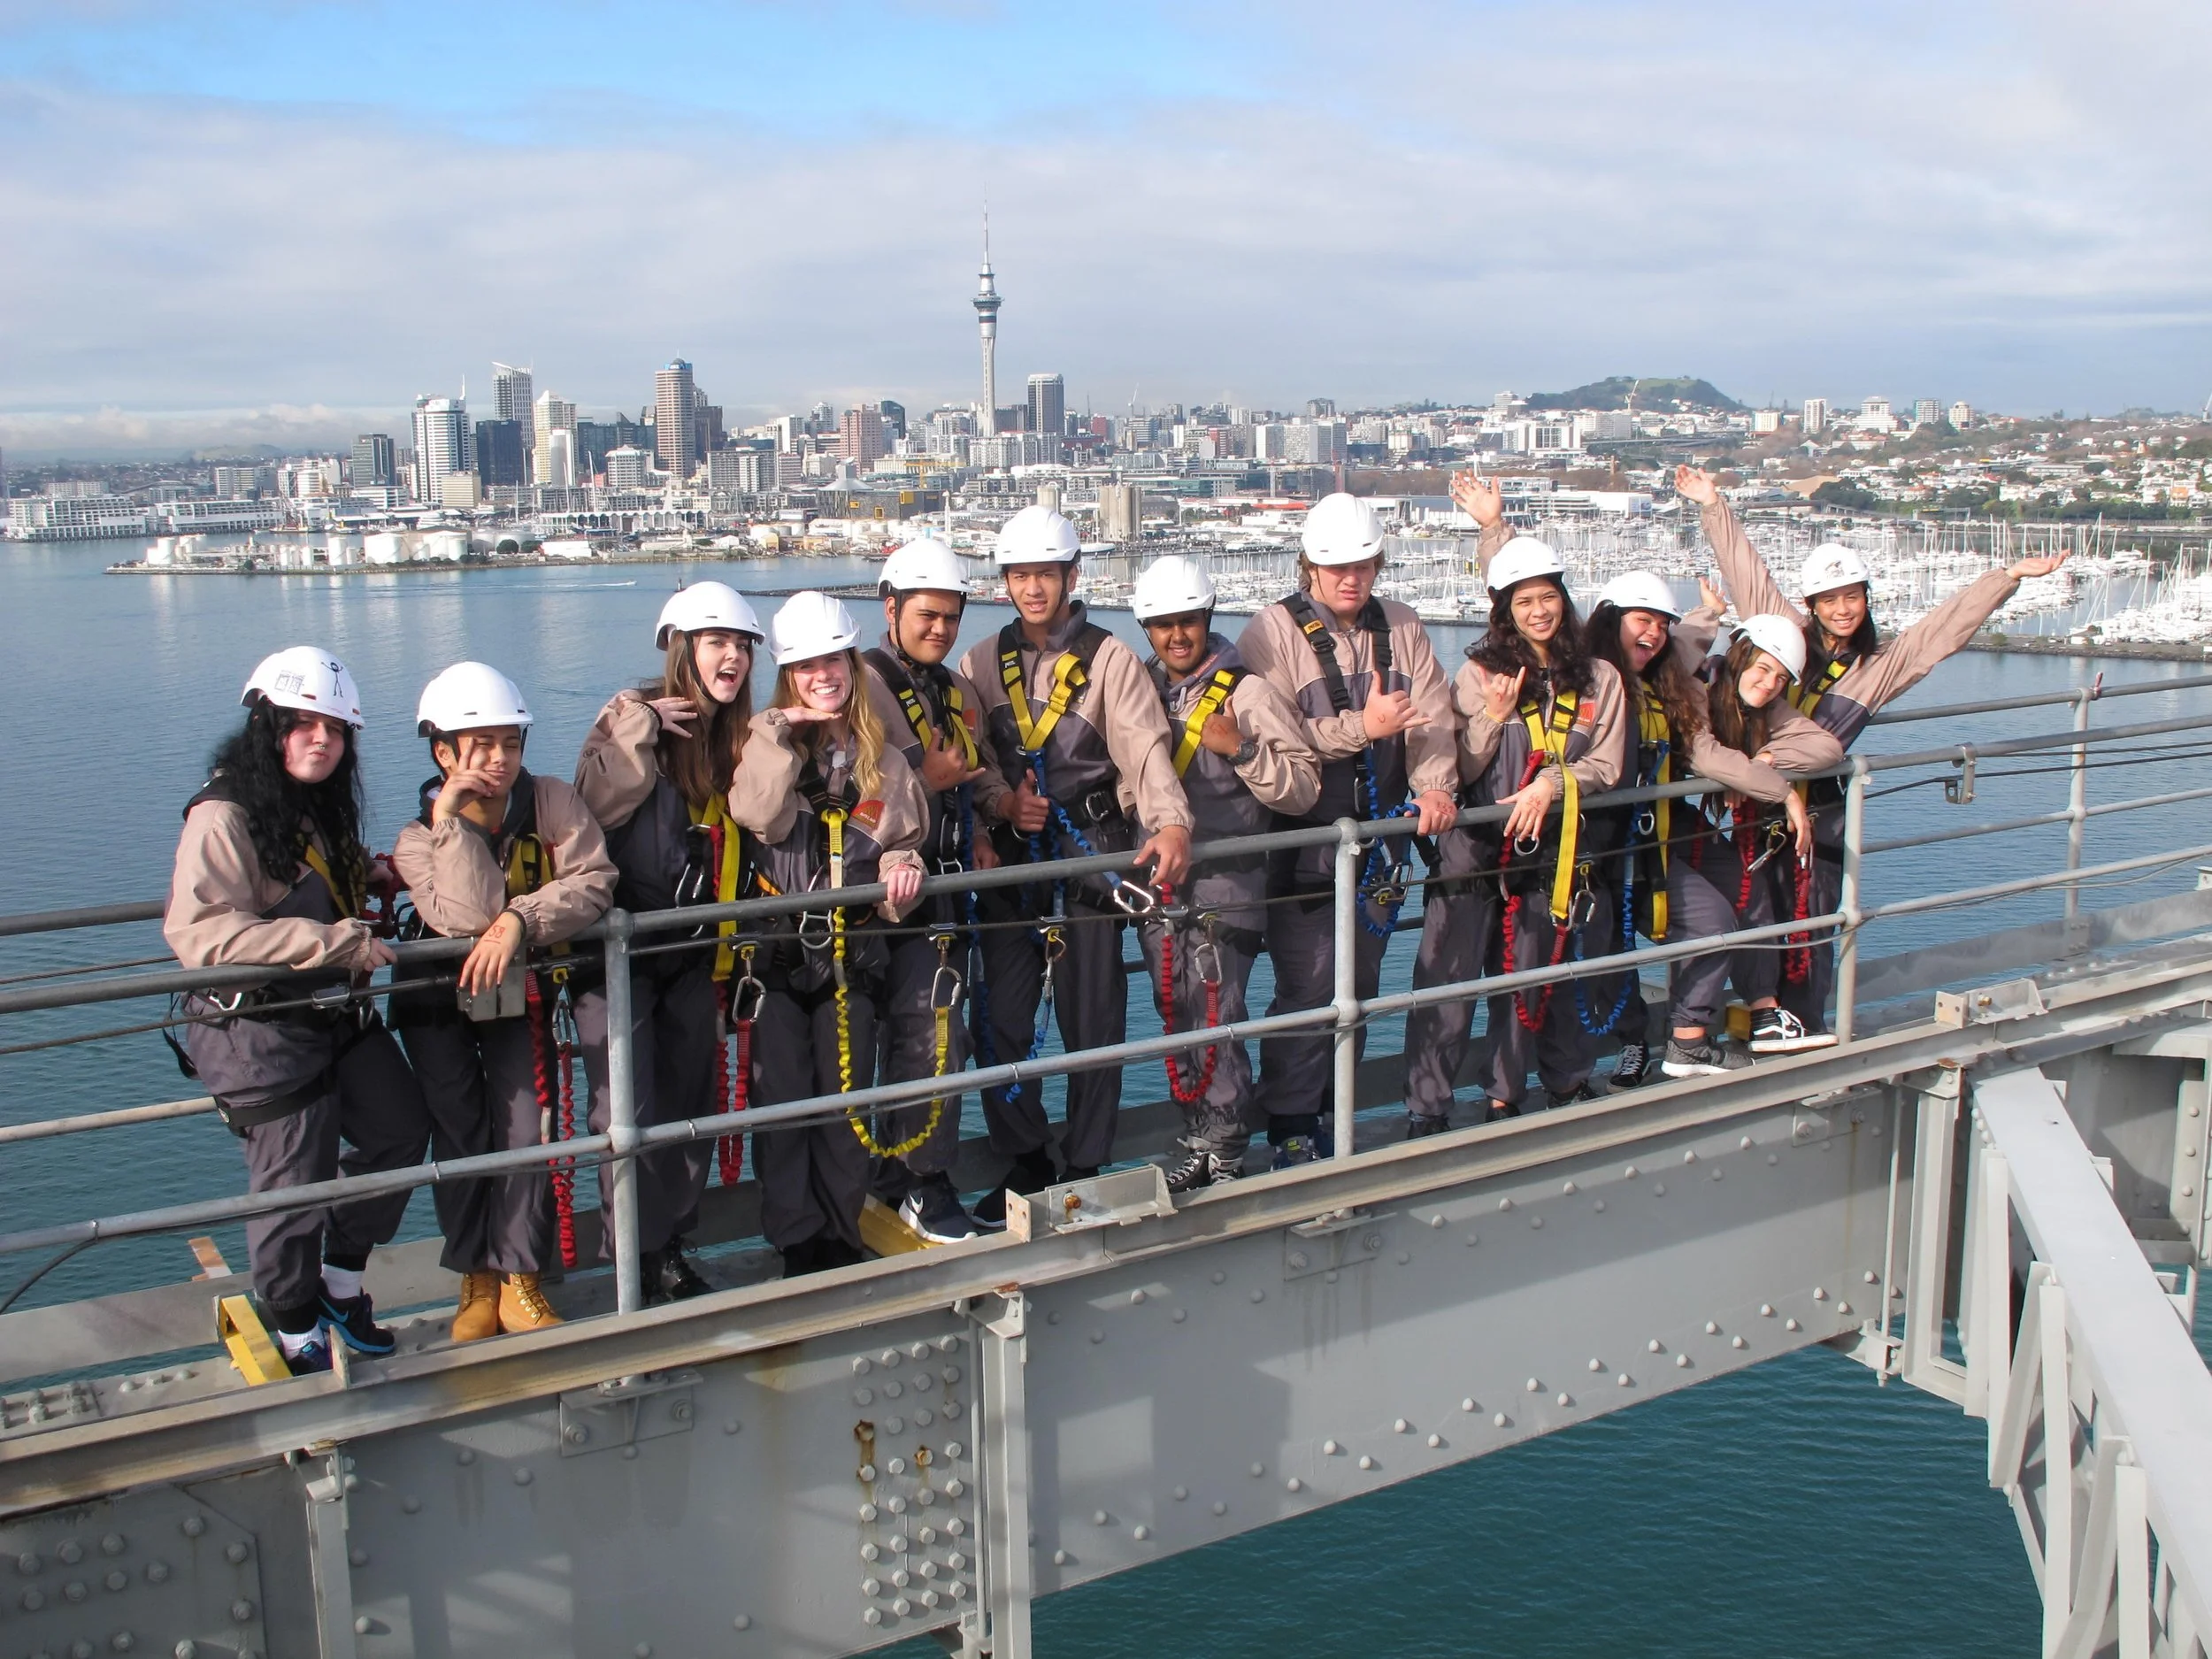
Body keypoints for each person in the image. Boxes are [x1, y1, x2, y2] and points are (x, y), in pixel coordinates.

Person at [1682, 465, 2070, 1045]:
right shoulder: (1783, 631)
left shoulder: (1876, 667)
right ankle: (1761, 1015)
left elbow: (1940, 634)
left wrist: (2006, 577)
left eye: (1853, 596)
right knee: (1754, 902)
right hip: (1752, 800)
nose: (1844, 609)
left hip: (1820, 806)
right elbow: (1747, 573)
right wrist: (1713, 505)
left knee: (1814, 907)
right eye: (1831, 599)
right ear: (1812, 602)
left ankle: (1805, 1020)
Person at [164, 648, 429, 1374]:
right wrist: (326, 938)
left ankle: (340, 1282)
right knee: (293, 1178)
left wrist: (363, 877)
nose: (321, 739)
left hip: (327, 1010)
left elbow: (302, 885)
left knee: (400, 1128)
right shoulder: (223, 816)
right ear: (268, 727)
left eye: (335, 729)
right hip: (258, 1027)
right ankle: (294, 1321)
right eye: (303, 724)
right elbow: (201, 933)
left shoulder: (305, 808)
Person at [958, 504, 1194, 1213]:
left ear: (1071, 576)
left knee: (1093, 1022)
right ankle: (1027, 1157)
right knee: (997, 1021)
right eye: (1022, 575)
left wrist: (1172, 822)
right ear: (1007, 581)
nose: (1034, 588)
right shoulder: (980, 662)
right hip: (1014, 862)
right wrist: (1002, 802)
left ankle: (1087, 1159)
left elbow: (1143, 748)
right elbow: (973, 761)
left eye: (1047, 574)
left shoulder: (1110, 658)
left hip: (1091, 859)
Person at [389, 663, 618, 1341]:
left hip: (521, 995)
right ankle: (476, 1277)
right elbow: (463, 914)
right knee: (460, 1135)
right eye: (479, 745)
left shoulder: (550, 802)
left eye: (510, 743)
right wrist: (453, 823)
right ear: (443, 752)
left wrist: (521, 919)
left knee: (527, 1130)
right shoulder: (415, 840)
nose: (497, 759)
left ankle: (521, 1274)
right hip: (439, 1003)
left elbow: (596, 879)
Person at [1237, 492, 1458, 1164]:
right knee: (1308, 987)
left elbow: (1436, 718)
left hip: (1379, 850)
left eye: (1363, 565)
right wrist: (1364, 727)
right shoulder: (1269, 635)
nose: (1350, 580)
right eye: (1337, 568)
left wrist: (1435, 788)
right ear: (1308, 567)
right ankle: (1289, 1122)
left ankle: (1336, 1110)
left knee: (1358, 988)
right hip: (1305, 845)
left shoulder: (1402, 626)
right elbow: (1280, 739)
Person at [574, 581, 764, 1302]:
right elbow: (595, 808)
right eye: (718, 643)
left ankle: (669, 1248)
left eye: (743, 646)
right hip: (621, 956)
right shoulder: (628, 722)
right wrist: (637, 724)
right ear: (683, 648)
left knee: (690, 1107)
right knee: (626, 1112)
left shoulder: (735, 740)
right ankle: (633, 1257)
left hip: (693, 953)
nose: (734, 658)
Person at [729, 592, 929, 1274]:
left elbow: (904, 837)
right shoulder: (767, 744)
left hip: (853, 954)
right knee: (783, 1105)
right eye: (806, 665)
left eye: (834, 661)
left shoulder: (883, 761)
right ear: (788, 672)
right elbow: (757, 813)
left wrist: (903, 866)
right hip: (783, 955)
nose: (823, 676)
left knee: (847, 1109)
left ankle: (839, 1233)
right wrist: (782, 730)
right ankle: (796, 1239)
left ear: (852, 664)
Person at [1129, 555, 1321, 1191]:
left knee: (1216, 1010)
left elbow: (1302, 789)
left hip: (1227, 886)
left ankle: (1227, 1142)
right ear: (1147, 630)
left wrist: (1239, 747)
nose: (1177, 636)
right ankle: (1202, 1133)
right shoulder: (1143, 691)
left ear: (1207, 619)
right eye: (1162, 625)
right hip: (1161, 887)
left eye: (1187, 622)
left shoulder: (1251, 693)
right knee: (1174, 1008)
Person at [1440, 534, 1628, 1122]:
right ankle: (1465, 1099)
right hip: (1484, 853)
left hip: (1565, 846)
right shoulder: (1478, 675)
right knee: (1471, 981)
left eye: (1548, 598)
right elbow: (1462, 767)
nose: (1539, 612)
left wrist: (1555, 782)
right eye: (1524, 603)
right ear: (1505, 613)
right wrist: (1494, 717)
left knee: (1552, 969)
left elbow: (1610, 763)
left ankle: (1547, 1084)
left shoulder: (1599, 678)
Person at [861, 534, 1007, 1243]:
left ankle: (901, 1179)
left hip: (946, 886)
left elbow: (974, 771)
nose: (940, 630)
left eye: (950, 617)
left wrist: (983, 817)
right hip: (888, 894)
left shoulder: (954, 689)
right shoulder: (861, 688)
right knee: (922, 1034)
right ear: (890, 608)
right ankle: (919, 1180)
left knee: (938, 1034)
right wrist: (929, 786)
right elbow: (850, 798)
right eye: (926, 615)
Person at [1659, 616, 1847, 1076]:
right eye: (1762, 670)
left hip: (1681, 819)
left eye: (1781, 678)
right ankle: (1686, 1042)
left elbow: (1827, 749)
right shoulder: (1702, 688)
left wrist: (1767, 759)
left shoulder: (1764, 707)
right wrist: (1781, 793)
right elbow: (1704, 754)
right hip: (1648, 822)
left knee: (1751, 891)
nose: (1769, 684)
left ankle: (1765, 1015)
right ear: (1742, 658)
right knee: (1714, 918)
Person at [1578, 570, 1730, 1087]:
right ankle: (1632, 1042)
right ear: (1611, 620)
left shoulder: (1664, 678)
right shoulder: (1582, 676)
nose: (1657, 633)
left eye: (1662, 624)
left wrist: (1708, 612)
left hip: (1649, 843)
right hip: (1594, 844)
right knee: (1605, 952)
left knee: (1712, 922)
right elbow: (1527, 608)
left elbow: (1685, 642)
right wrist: (1492, 529)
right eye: (1643, 621)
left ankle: (1688, 1036)